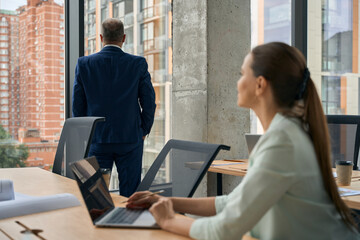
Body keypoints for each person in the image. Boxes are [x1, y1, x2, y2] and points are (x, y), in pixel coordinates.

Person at [126, 42, 360, 239]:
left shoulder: (282, 141)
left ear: (260, 84)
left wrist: (168, 220)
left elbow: (224, 230)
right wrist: (168, 202)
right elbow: (232, 203)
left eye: (241, 74)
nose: (237, 83)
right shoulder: (285, 132)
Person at [72, 18, 156, 197]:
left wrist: (84, 135)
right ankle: (127, 224)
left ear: (101, 37)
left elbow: (77, 106)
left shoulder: (84, 64)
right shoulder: (137, 64)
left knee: (95, 196)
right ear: (124, 37)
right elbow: (149, 102)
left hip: (96, 139)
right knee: (131, 195)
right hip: (130, 138)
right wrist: (143, 129)